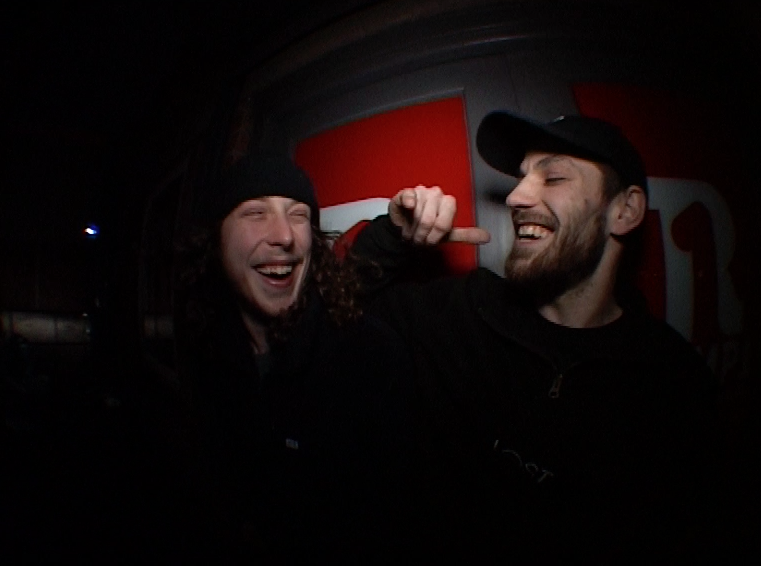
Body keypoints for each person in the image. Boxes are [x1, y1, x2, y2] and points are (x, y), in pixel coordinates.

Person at [351, 111, 721, 562]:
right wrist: (390, 236)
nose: (516, 197)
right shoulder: (458, 314)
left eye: (554, 177)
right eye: (522, 178)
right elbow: (342, 311)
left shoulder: (675, 387)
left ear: (624, 211)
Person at [165, 152, 419, 562]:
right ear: (215, 241)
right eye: (255, 213)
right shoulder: (208, 351)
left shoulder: (370, 358)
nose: (284, 235)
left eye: (298, 215)